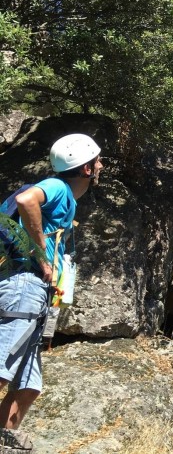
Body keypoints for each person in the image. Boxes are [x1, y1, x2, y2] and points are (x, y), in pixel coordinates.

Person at [0, 133, 102, 451]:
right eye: (97, 161)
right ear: (86, 168)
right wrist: (42, 256)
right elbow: (26, 200)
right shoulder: (58, 187)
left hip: (37, 292)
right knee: (2, 364)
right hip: (24, 285)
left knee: (30, 386)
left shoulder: (67, 200)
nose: (101, 166)